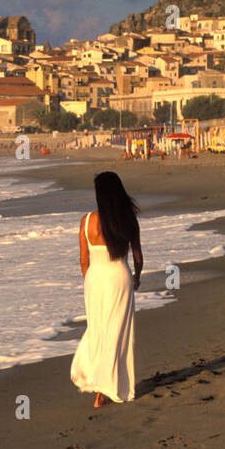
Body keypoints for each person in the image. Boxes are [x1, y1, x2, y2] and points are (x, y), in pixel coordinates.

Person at [70, 171, 143, 408]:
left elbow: (84, 261)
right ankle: (105, 390)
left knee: (98, 329)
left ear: (100, 195)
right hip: (119, 277)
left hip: (95, 280)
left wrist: (91, 283)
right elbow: (138, 257)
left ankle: (99, 385)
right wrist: (137, 276)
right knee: (117, 333)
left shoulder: (86, 221)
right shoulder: (128, 220)